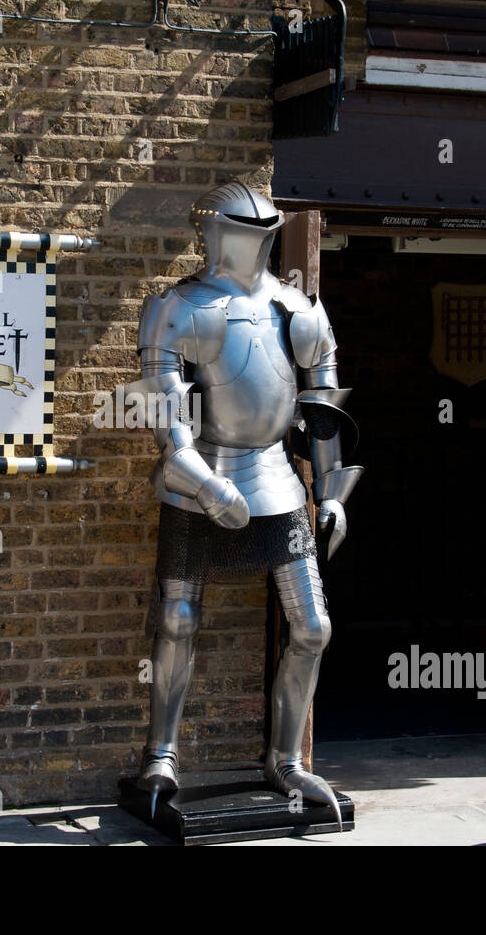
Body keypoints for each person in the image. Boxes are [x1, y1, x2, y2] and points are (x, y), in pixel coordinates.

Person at [130, 182, 362, 825]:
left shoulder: (300, 310)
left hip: (278, 482)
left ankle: (285, 760)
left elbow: (322, 416)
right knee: (177, 618)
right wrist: (205, 484)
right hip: (200, 483)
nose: (250, 240)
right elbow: (167, 429)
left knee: (313, 628)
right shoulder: (175, 309)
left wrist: (334, 495)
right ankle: (161, 755)